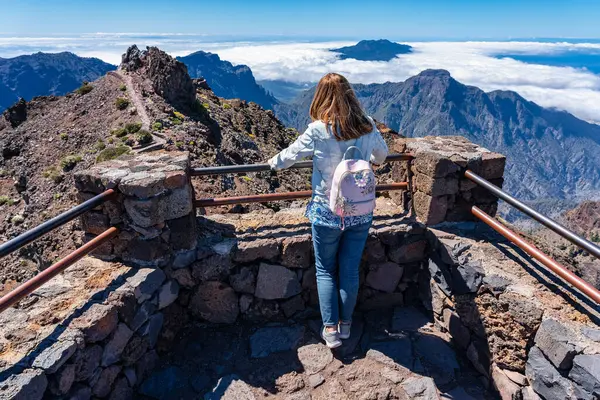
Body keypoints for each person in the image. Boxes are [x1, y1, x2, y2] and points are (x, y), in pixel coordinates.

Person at [268, 73, 388, 349]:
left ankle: (330, 330)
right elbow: (381, 156)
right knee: (349, 270)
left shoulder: (318, 130)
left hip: (327, 211)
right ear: (350, 96)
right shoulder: (367, 125)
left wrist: (272, 163)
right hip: (360, 211)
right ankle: (346, 325)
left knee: (325, 271)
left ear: (321, 97)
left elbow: (289, 157)